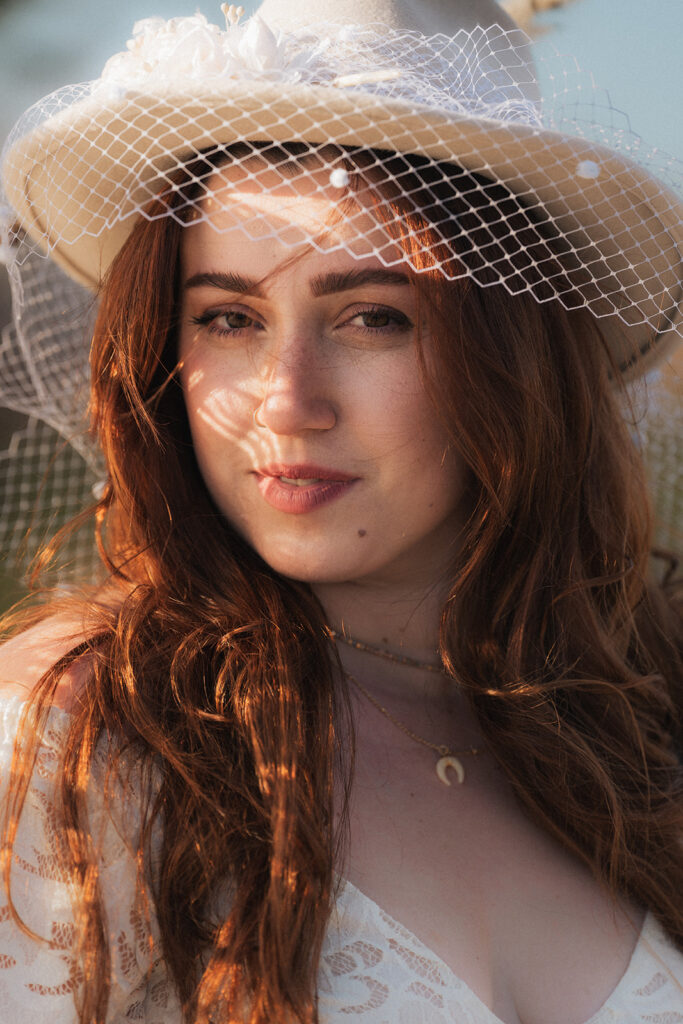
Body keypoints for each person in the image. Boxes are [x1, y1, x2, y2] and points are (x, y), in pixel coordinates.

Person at [0, 1, 681, 1021]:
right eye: (228, 319)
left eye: (371, 317)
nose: (285, 398)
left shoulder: (639, 722)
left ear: (514, 355)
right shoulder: (95, 726)